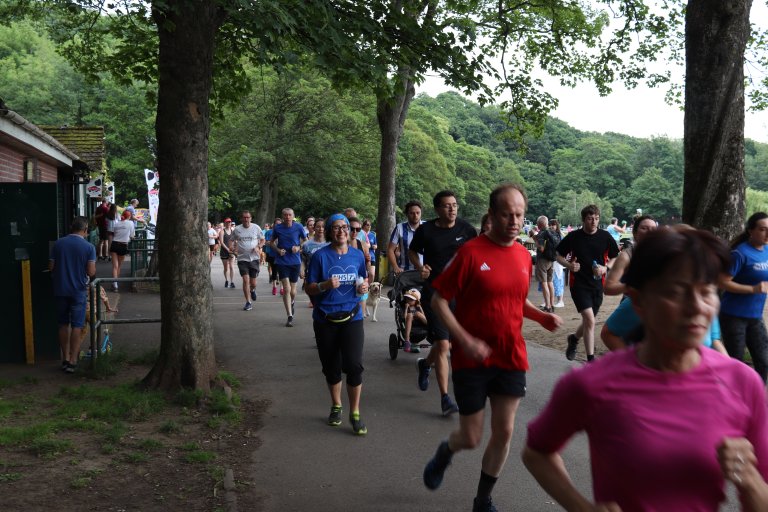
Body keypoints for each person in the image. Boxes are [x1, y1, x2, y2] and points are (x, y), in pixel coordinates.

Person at [523, 227, 768, 511]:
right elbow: (537, 452)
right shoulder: (592, 383)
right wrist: (583, 508)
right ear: (639, 300)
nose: (697, 307)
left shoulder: (743, 383)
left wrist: (748, 479)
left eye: (707, 291)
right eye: (677, 292)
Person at [422, 184, 562, 512]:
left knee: (505, 431)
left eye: (519, 214)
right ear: (492, 214)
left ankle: (482, 500)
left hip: (510, 354)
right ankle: (446, 452)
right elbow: (439, 299)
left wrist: (541, 317)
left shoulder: (522, 256)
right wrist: (464, 339)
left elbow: (516, 300)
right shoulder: (471, 253)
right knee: (470, 437)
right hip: (471, 359)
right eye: (507, 214)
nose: (514, 221)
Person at [409, 190, 477, 416]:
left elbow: (478, 254)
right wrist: (421, 268)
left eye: (455, 205)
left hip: (461, 294)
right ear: (437, 209)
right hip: (435, 294)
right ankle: (446, 398)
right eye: (447, 206)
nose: (452, 209)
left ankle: (425, 365)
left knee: (443, 344)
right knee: (444, 344)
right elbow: (412, 251)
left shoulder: (466, 229)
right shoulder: (426, 230)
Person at [306, 213, 369, 435]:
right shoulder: (320, 257)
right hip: (325, 320)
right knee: (331, 367)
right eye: (337, 228)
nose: (342, 231)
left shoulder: (357, 255)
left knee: (354, 365)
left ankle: (355, 413)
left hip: (353, 317)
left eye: (345, 227)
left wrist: (364, 288)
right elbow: (309, 288)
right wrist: (324, 285)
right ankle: (336, 405)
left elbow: (363, 280)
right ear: (330, 231)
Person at [555, 204, 619, 362]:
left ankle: (574, 339)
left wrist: (605, 268)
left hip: (597, 285)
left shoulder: (605, 237)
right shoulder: (574, 237)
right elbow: (557, 255)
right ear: (584, 220)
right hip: (578, 284)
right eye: (590, 219)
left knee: (588, 322)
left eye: (596, 219)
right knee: (590, 320)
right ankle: (591, 360)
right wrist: (569, 265)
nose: (594, 222)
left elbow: (616, 257)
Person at [719, 211, 768, 382]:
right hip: (733, 315)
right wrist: (752, 289)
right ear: (750, 231)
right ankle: (735, 402)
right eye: (762, 229)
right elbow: (723, 282)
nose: (767, 233)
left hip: (755, 316)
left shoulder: (767, 250)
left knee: (764, 361)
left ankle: (758, 400)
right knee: (736, 362)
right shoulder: (740, 253)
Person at [49, 217, 96, 373]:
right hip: (78, 291)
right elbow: (91, 271)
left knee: (62, 324)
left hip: (60, 289)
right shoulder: (89, 247)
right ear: (85, 229)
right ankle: (73, 361)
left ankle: (65, 359)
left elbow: (51, 266)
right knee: (77, 325)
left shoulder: (58, 244)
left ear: (71, 227)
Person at [603, 215, 657, 297]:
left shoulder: (663, 252)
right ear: (635, 233)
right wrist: (633, 285)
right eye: (644, 228)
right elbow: (608, 288)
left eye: (653, 229)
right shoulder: (627, 255)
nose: (650, 232)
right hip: (633, 302)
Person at [271, 208, 306, 326]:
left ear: (293, 216)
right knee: (286, 289)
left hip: (295, 261)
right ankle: (289, 316)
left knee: (293, 291)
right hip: (282, 261)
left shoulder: (299, 227)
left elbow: (306, 241)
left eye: (289, 215)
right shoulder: (278, 228)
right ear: (282, 216)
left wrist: (298, 247)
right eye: (285, 215)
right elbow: (271, 242)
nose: (287, 217)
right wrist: (277, 250)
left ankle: (292, 301)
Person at [230, 210, 264, 311]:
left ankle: (252, 290)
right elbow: (231, 239)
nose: (246, 219)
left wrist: (258, 247)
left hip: (254, 258)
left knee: (253, 283)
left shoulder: (256, 227)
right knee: (245, 280)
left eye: (248, 217)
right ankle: (248, 302)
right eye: (244, 218)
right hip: (242, 258)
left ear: (251, 218)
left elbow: (262, 239)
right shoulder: (237, 229)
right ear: (241, 219)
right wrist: (231, 247)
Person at [387, 200, 425, 275]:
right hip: (405, 272)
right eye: (412, 213)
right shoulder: (399, 227)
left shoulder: (427, 226)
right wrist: (395, 267)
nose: (415, 216)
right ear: (407, 214)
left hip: (424, 271)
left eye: (418, 213)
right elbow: (390, 250)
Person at [300, 218, 329, 306]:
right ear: (314, 228)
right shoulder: (307, 245)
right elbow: (303, 260)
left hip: (327, 275)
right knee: (315, 301)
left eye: (323, 227)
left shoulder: (330, 244)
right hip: (312, 276)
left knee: (325, 301)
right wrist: (301, 269)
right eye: (318, 227)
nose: (321, 229)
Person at [534, 215, 557, 312]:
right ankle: (552, 304)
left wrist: (534, 238)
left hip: (543, 260)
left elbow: (541, 248)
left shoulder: (541, 234)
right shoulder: (552, 231)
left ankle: (547, 305)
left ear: (539, 225)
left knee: (544, 283)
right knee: (550, 282)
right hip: (551, 260)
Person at [109, 210, 136, 292]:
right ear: (129, 216)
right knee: (119, 266)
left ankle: (115, 285)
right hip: (123, 245)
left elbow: (114, 234)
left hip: (114, 244)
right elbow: (132, 235)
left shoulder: (117, 223)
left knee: (115, 266)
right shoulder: (131, 223)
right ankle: (115, 283)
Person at [402, 288, 427, 354]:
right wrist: (406, 308)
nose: (408, 301)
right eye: (407, 298)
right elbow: (404, 318)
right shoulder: (406, 307)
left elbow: (423, 315)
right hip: (410, 322)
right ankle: (407, 340)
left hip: (420, 322)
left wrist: (420, 308)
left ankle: (431, 326)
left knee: (418, 313)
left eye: (411, 299)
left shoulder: (418, 307)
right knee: (410, 315)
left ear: (416, 301)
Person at [549, 219, 565, 308]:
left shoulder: (560, 235)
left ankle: (560, 300)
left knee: (558, 279)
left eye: (553, 225)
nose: (551, 226)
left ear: (557, 226)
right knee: (550, 280)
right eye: (550, 225)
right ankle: (550, 300)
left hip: (558, 260)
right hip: (550, 260)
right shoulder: (548, 234)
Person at [264, 219, 281, 295]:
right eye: (276, 224)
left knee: (281, 272)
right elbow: (266, 242)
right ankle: (274, 287)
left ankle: (282, 288)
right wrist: (271, 242)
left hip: (281, 254)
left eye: (279, 224)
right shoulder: (269, 232)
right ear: (273, 224)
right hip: (272, 254)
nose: (278, 225)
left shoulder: (283, 232)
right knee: (274, 271)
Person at [218, 218, 236, 288]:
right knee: (226, 268)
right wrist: (228, 249)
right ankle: (226, 280)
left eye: (229, 222)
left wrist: (234, 248)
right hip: (224, 251)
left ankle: (232, 282)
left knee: (231, 266)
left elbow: (235, 240)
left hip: (231, 251)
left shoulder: (233, 231)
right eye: (227, 222)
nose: (228, 224)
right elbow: (222, 242)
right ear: (225, 223)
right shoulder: (222, 232)